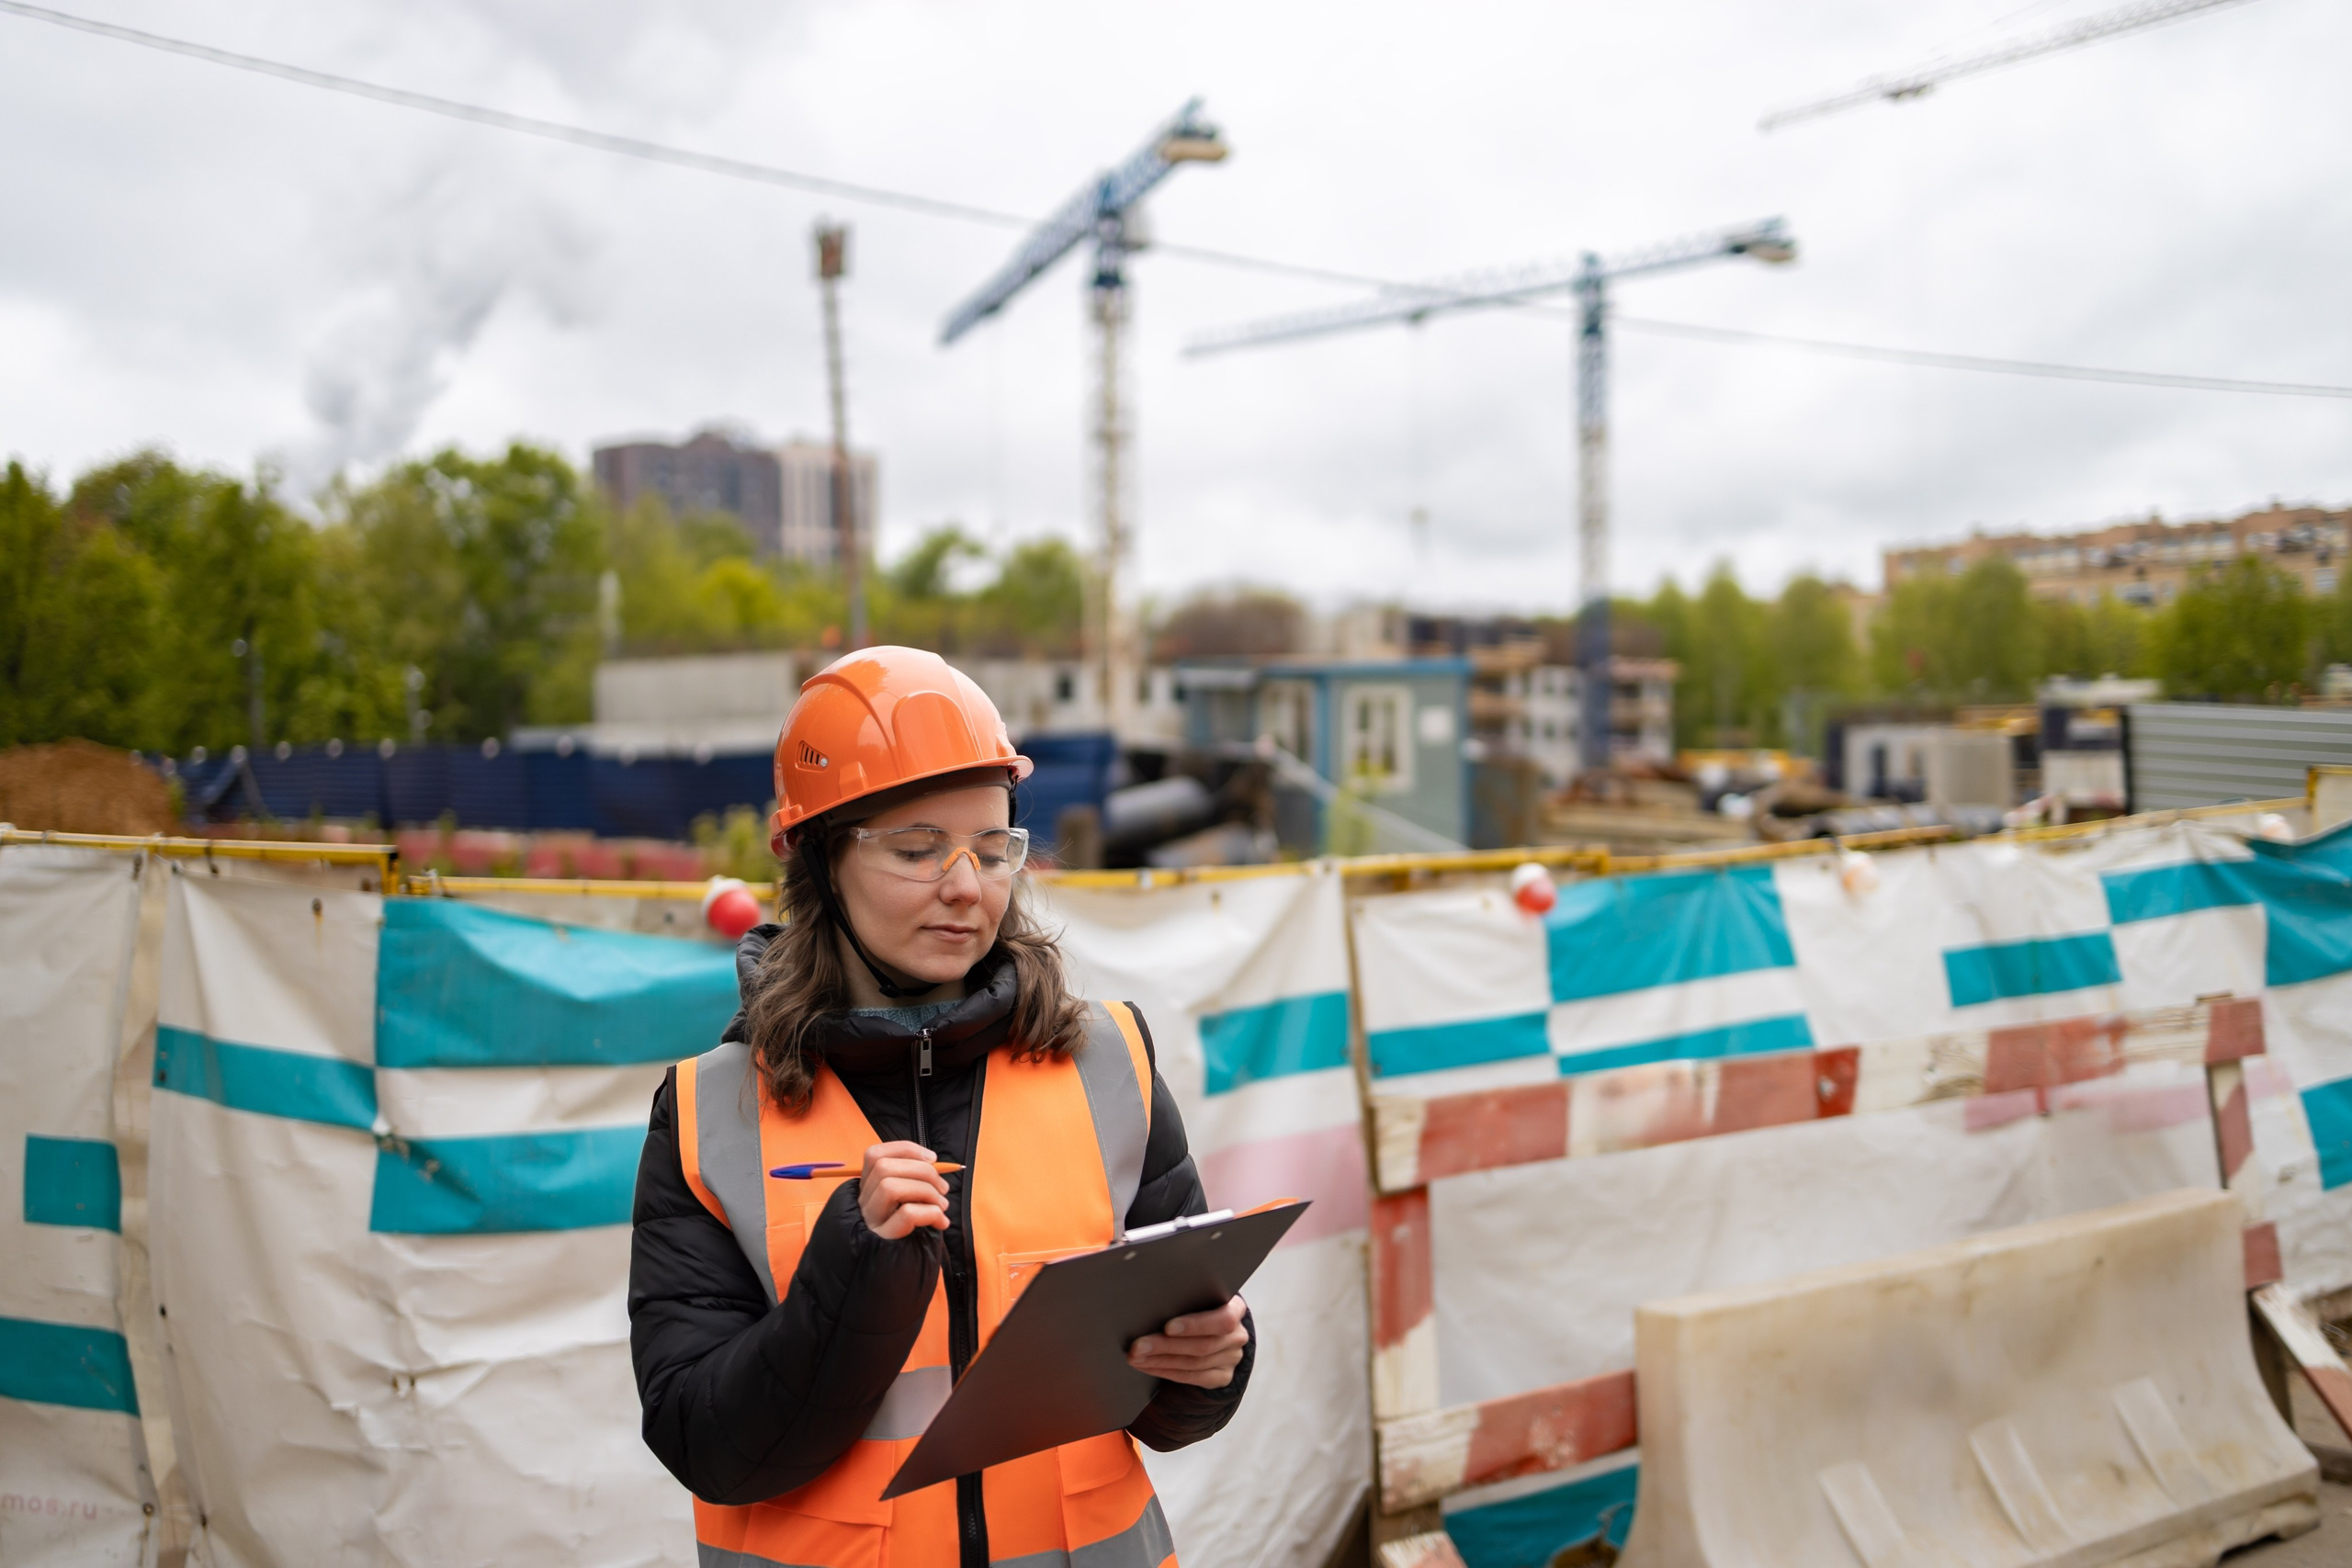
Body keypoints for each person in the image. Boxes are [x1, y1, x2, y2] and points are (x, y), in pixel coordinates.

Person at [629, 646, 1254, 1568]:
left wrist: (1210, 1369)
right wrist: (852, 1272)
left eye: (993, 848)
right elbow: (705, 1442)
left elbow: (1170, 1383)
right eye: (918, 849)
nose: (966, 886)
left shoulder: (1107, 1063)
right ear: (818, 862)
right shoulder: (708, 1114)